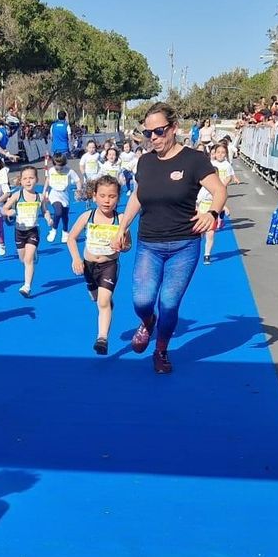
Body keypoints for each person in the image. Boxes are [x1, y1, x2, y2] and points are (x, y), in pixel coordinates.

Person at [113, 103, 228, 374]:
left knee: (169, 303)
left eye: (159, 131)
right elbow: (138, 196)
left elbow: (220, 191)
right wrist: (123, 225)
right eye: (147, 132)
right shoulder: (145, 161)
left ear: (174, 129)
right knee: (141, 301)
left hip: (184, 245)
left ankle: (161, 350)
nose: (153, 137)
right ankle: (147, 321)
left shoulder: (194, 160)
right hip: (149, 244)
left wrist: (212, 212)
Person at [65, 175, 129, 355]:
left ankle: (102, 338)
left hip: (109, 265)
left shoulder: (121, 219)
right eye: (102, 196)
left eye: (112, 196)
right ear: (94, 196)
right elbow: (71, 238)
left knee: (102, 302)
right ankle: (106, 303)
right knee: (96, 299)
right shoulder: (88, 216)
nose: (107, 201)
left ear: (118, 197)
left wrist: (123, 246)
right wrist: (76, 259)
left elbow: (128, 244)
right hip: (88, 265)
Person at [5, 166, 44, 297]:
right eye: (25, 178)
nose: (28, 181)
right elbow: (4, 208)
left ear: (37, 179)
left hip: (33, 231)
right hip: (19, 232)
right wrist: (8, 212)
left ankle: (27, 287)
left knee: (28, 260)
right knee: (23, 259)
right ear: (20, 181)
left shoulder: (40, 196)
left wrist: (49, 218)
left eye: (31, 178)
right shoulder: (17, 195)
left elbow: (45, 211)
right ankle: (33, 256)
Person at [199, 141, 240, 264]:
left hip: (217, 197)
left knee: (210, 233)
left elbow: (230, 176)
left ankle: (207, 255)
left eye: (223, 152)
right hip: (203, 205)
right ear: (214, 154)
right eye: (218, 152)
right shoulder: (210, 165)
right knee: (201, 231)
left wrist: (222, 187)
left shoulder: (227, 165)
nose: (221, 154)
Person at [43, 154, 79, 244]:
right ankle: (54, 230)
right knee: (58, 212)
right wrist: (44, 191)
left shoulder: (69, 171)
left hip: (64, 194)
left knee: (64, 215)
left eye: (61, 168)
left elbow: (78, 180)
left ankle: (65, 232)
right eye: (57, 168)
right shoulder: (51, 170)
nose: (59, 170)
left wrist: (79, 190)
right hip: (54, 194)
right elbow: (48, 180)